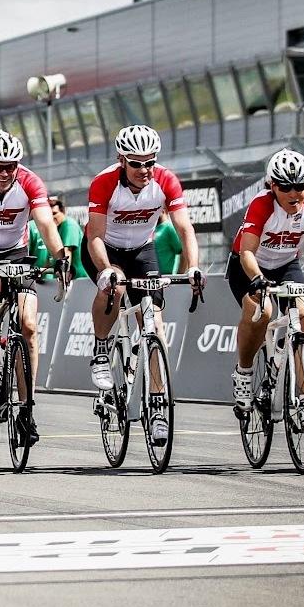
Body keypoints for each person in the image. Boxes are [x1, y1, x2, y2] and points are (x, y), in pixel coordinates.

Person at [84, 125, 202, 447]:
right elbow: (94, 235)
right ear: (122, 160)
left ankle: (158, 405)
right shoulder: (104, 183)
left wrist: (192, 267)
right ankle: (100, 349)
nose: (144, 170)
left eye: (149, 162)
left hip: (141, 249)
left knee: (154, 325)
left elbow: (185, 229)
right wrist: (107, 270)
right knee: (116, 287)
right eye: (136, 163)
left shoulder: (165, 180)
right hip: (104, 247)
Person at [0, 131, 70, 443]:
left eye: (10, 166)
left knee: (29, 327)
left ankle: (26, 410)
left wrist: (60, 256)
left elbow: (46, 223)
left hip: (16, 251)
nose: (4, 173)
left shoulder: (30, 182)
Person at [227, 150, 304, 431]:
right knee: (263, 310)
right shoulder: (262, 204)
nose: (294, 193)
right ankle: (244, 373)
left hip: (286, 264)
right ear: (272, 185)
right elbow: (246, 251)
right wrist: (258, 279)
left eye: (301, 186)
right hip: (249, 265)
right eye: (285, 187)